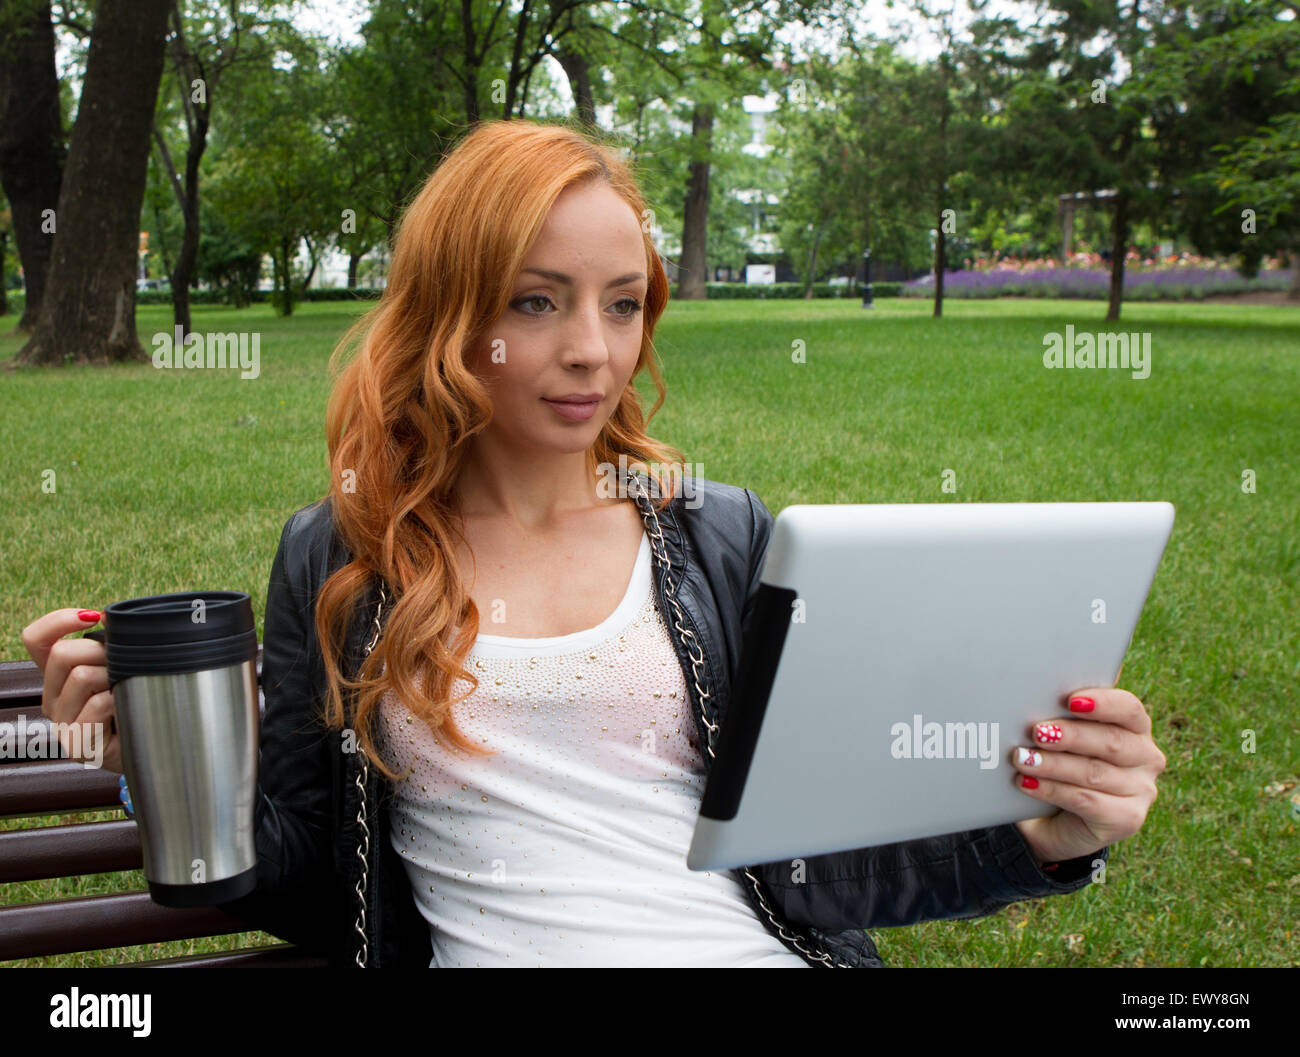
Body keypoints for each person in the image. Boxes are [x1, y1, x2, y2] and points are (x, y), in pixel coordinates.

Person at [22, 119, 1167, 968]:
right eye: (537, 302)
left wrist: (1048, 832)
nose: (592, 350)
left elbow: (828, 865)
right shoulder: (343, 555)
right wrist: (149, 760)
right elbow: (317, 880)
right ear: (449, 313)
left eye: (621, 304)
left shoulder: (721, 534)